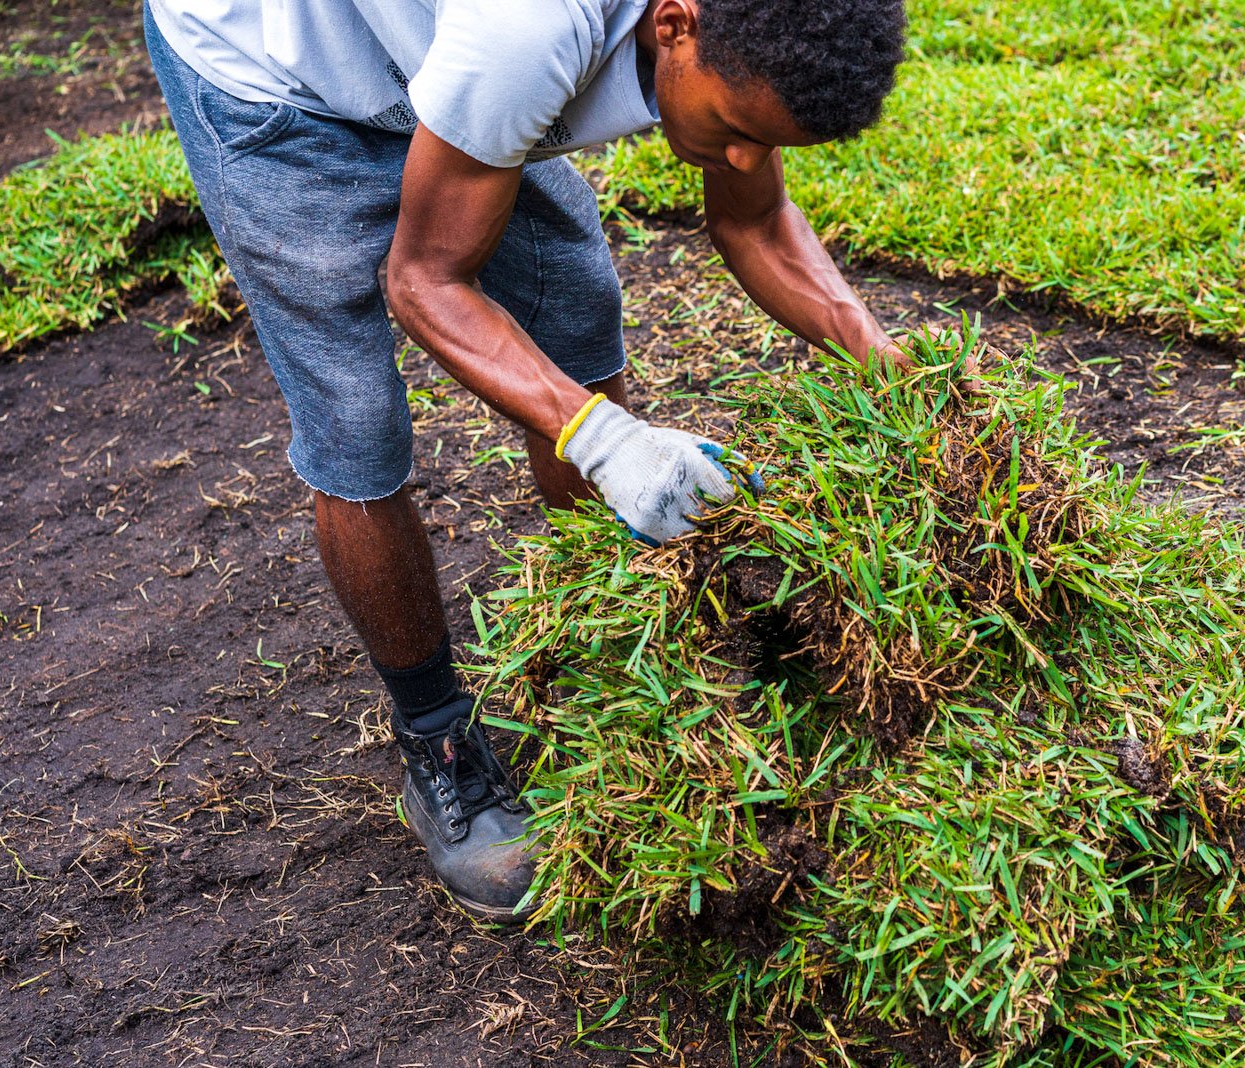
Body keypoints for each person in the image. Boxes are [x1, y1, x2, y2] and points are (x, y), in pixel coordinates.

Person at [143, 0, 909, 919]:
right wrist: (610, 442)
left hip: (455, 70)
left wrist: (905, 380)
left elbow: (757, 222)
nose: (744, 157)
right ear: (675, 25)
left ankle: (621, 653)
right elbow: (422, 282)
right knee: (357, 426)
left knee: (574, 318)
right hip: (277, 79)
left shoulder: (742, 38)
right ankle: (438, 739)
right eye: (740, 130)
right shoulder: (527, 33)